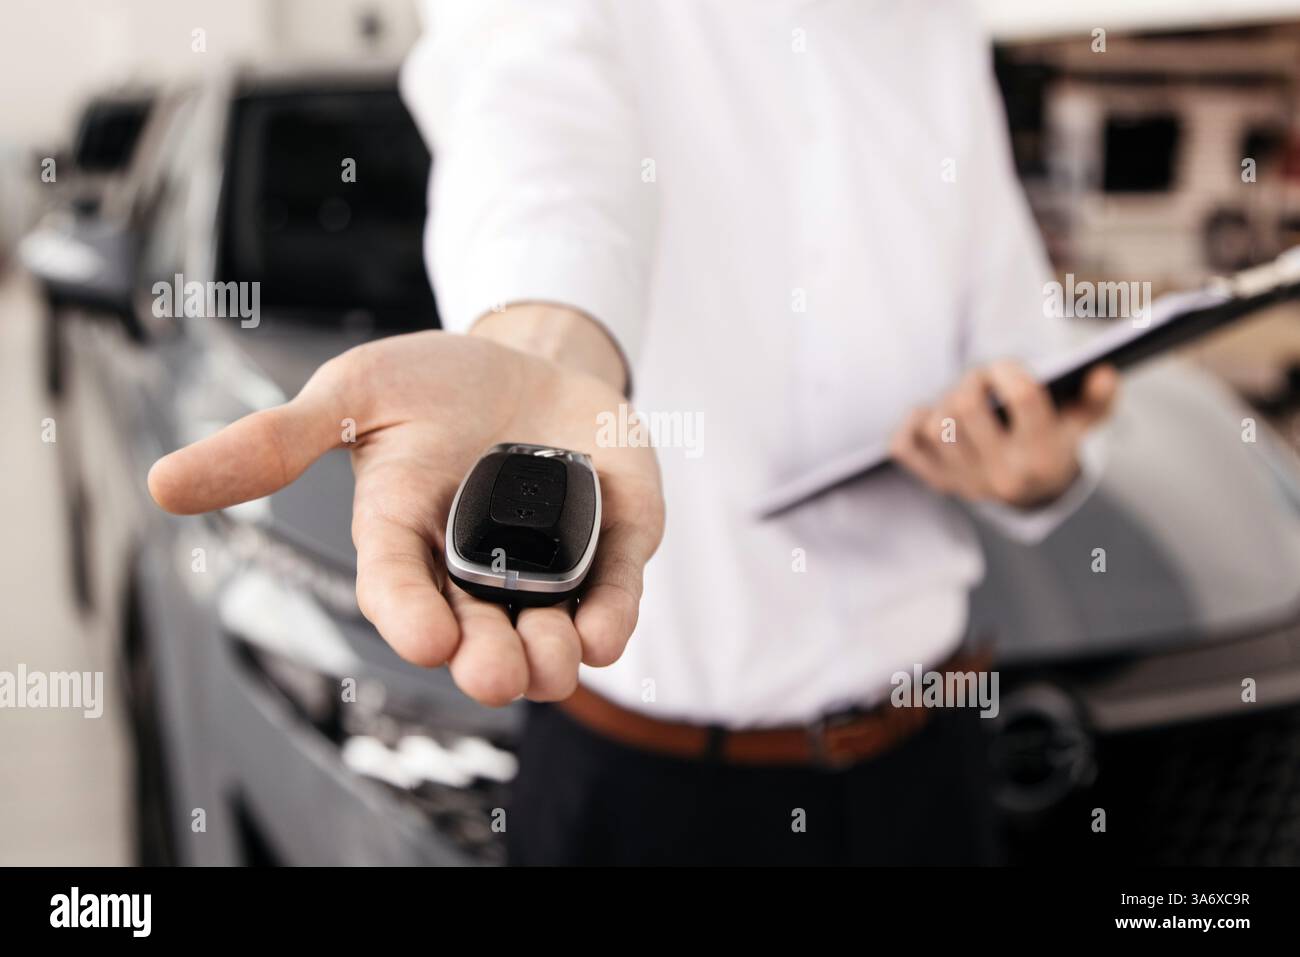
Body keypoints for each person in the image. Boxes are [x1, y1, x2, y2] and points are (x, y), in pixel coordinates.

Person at [148, 0, 1117, 865]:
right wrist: (549, 350)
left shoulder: (936, 28)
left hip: (932, 768)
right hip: (643, 794)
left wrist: (1034, 462)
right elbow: (535, 130)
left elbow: (1020, 343)